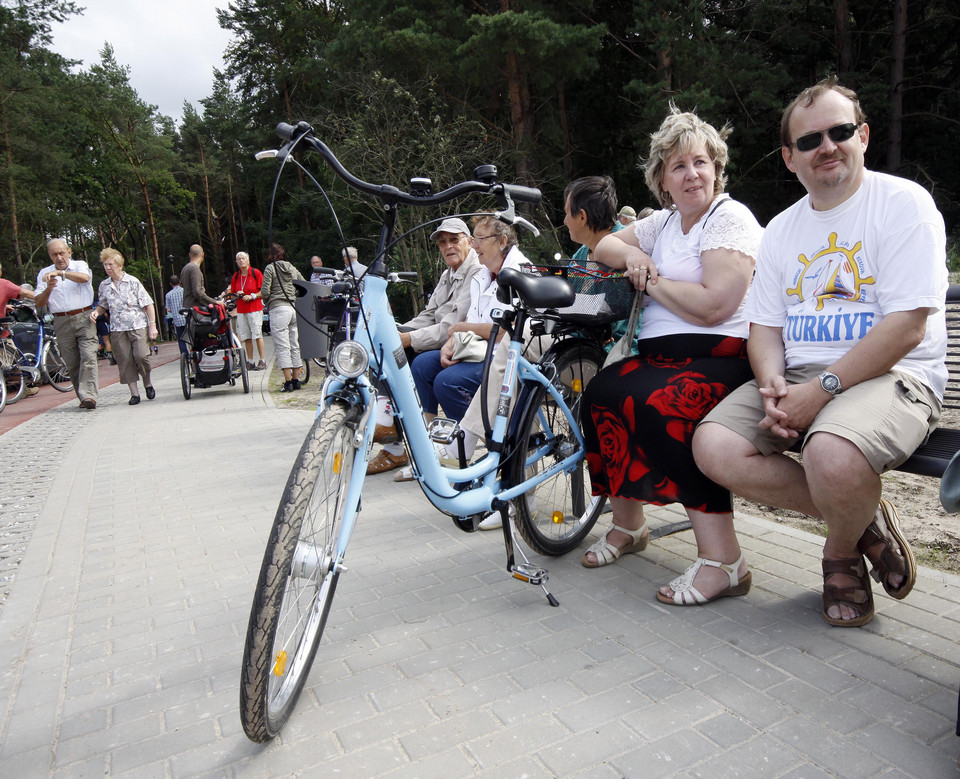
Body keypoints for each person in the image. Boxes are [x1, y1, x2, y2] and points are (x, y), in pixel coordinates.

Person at [692, 78, 947, 627]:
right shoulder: (782, 229)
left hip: (892, 375)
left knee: (830, 452)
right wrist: (773, 388)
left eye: (840, 132)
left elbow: (906, 328)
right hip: (802, 375)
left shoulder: (905, 204)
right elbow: (763, 328)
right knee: (713, 445)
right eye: (810, 141)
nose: (827, 147)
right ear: (789, 157)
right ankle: (863, 518)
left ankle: (838, 551)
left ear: (864, 136)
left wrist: (820, 392)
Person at [577, 105, 763, 592]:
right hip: (661, 356)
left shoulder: (729, 218)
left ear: (716, 169)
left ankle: (725, 561)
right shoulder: (662, 224)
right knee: (601, 394)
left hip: (720, 355)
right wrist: (635, 254)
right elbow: (602, 248)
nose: (692, 174)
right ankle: (629, 525)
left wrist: (650, 277)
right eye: (678, 166)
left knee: (662, 406)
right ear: (662, 179)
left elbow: (714, 306)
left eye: (700, 162)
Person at [367, 217, 482, 476]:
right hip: (452, 340)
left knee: (416, 360)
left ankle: (407, 443)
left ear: (470, 242)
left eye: (454, 240)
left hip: (470, 343)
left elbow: (450, 326)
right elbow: (429, 315)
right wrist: (399, 331)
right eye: (443, 242)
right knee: (388, 345)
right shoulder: (447, 274)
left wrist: (407, 339)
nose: (448, 246)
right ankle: (405, 439)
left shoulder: (476, 271)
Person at [410, 216, 529, 438]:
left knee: (447, 382)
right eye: (474, 239)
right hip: (478, 349)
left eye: (480, 239)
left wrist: (460, 329)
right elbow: (470, 320)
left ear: (502, 241)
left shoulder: (520, 271)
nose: (475, 245)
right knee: (422, 365)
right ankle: (429, 442)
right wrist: (451, 342)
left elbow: (507, 330)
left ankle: (474, 444)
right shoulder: (483, 274)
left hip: (505, 355)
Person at [33, 239, 99, 409]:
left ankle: (89, 396)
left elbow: (84, 279)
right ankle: (83, 397)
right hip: (61, 320)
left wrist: (61, 274)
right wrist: (48, 288)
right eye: (55, 254)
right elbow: (39, 302)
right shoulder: (44, 273)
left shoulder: (80, 265)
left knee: (88, 356)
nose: (59, 257)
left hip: (84, 317)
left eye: (62, 253)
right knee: (72, 362)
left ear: (69, 252)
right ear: (50, 255)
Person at [91, 248, 158, 405]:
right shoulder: (104, 285)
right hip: (117, 328)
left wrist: (152, 326)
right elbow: (103, 305)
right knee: (125, 360)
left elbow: (148, 304)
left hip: (138, 325)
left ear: (120, 265)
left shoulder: (133, 282)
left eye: (111, 264)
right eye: (105, 265)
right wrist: (96, 312)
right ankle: (134, 393)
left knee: (141, 356)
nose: (108, 268)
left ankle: (147, 382)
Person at [261, 243, 304, 392]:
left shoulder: (270, 268)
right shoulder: (291, 267)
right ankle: (296, 380)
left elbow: (265, 291)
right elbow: (303, 284)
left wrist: (268, 301)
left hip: (278, 308)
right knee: (294, 344)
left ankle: (288, 383)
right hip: (293, 308)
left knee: (282, 346)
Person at [229, 251, 266, 371]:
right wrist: (238, 294)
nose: (241, 261)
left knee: (257, 334)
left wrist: (252, 296)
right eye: (238, 259)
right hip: (241, 309)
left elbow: (263, 291)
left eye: (243, 258)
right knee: (246, 336)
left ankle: (262, 360)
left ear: (248, 260)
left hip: (254, 308)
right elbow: (233, 292)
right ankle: (250, 361)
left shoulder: (256, 273)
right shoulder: (236, 276)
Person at [180, 244, 218, 311]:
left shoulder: (185, 268)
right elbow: (197, 292)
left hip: (187, 307)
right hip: (196, 310)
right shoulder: (195, 269)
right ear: (203, 255)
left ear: (189, 255)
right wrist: (215, 302)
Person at [164, 275, 187, 354]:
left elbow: (168, 309)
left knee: (181, 339)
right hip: (187, 317)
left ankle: (185, 355)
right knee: (191, 336)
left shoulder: (168, 295)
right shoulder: (185, 291)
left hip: (177, 319)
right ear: (180, 282)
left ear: (170, 284)